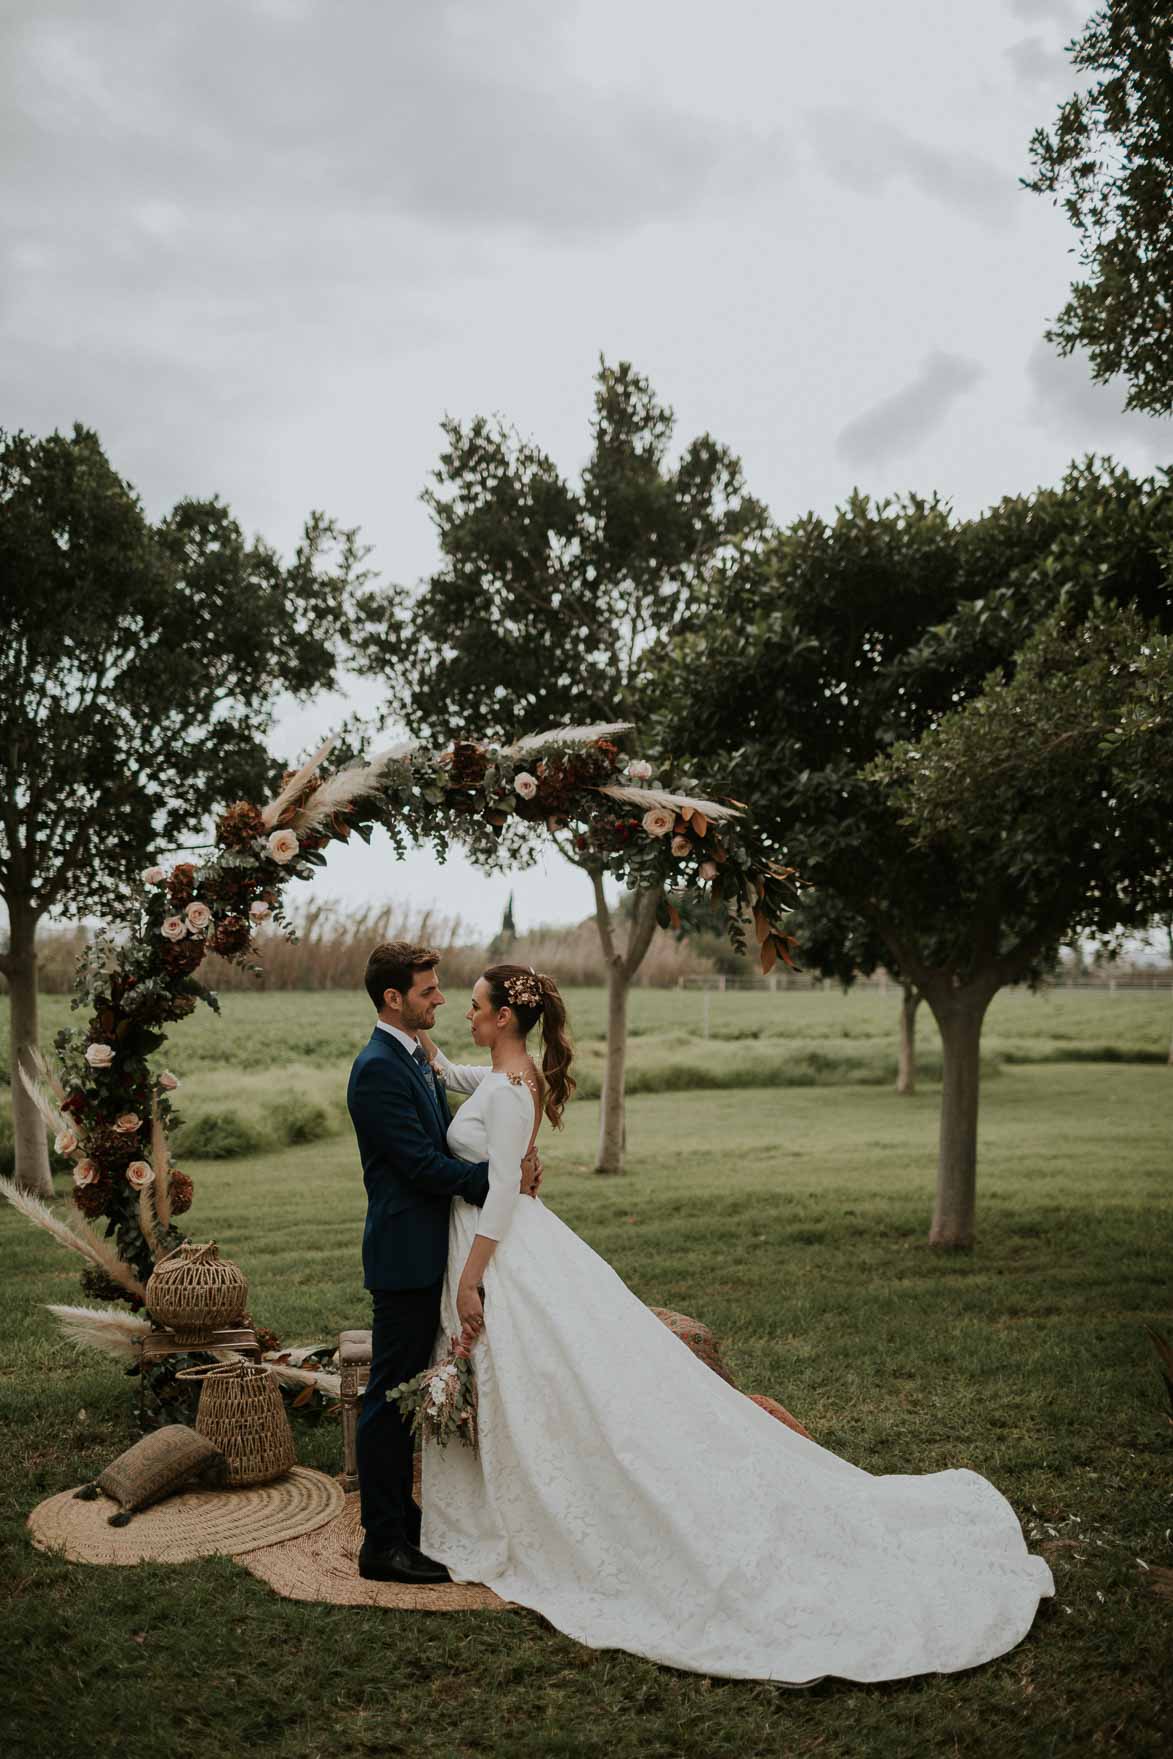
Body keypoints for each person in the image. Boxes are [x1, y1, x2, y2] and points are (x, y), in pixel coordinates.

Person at [420, 963, 1056, 1686]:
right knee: (561, 1379)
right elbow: (451, 1071)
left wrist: (472, 1278)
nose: (462, 1013)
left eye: (471, 1005)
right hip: (523, 1249)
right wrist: (418, 1040)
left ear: (503, 1016)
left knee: (565, 1382)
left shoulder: (507, 1092)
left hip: (502, 1255)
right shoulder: (508, 1076)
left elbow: (503, 1189)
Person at [346, 940, 541, 1586]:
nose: (441, 998)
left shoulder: (413, 1056)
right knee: (387, 1395)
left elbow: (474, 1093)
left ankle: (401, 1515)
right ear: (393, 998)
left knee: (401, 1393)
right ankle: (382, 1541)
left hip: (435, 1245)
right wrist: (501, 1176)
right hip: (404, 1252)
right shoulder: (376, 1067)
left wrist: (509, 1163)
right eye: (428, 990)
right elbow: (420, 1165)